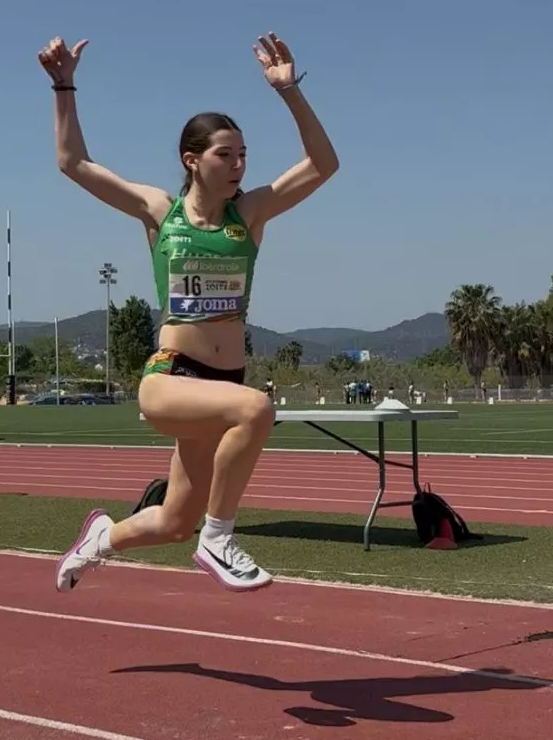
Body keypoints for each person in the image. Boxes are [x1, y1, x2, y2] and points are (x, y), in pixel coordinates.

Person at [38, 31, 338, 593]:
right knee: (257, 410)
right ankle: (219, 538)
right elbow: (72, 162)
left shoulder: (249, 213)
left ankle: (98, 539)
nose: (239, 166)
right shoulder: (159, 211)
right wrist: (63, 85)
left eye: (244, 155)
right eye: (226, 155)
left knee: (174, 520)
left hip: (223, 382)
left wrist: (289, 91)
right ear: (192, 160)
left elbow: (324, 164)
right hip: (172, 376)